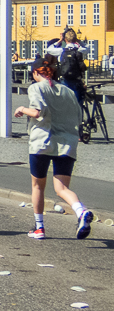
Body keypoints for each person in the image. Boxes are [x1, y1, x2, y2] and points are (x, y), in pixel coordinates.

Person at [14, 54, 94, 241]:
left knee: (38, 185)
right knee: (62, 188)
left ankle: (39, 228)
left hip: (42, 141)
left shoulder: (36, 88)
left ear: (35, 72)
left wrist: (21, 109)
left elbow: (37, 111)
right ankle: (81, 211)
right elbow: (77, 117)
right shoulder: (67, 91)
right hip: (67, 142)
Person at [47, 28, 87, 104]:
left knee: (65, 103)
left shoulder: (61, 51)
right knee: (77, 104)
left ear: (65, 39)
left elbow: (49, 49)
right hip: (77, 80)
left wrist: (59, 40)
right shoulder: (79, 50)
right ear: (75, 39)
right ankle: (78, 114)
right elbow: (88, 47)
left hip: (65, 79)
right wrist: (79, 41)